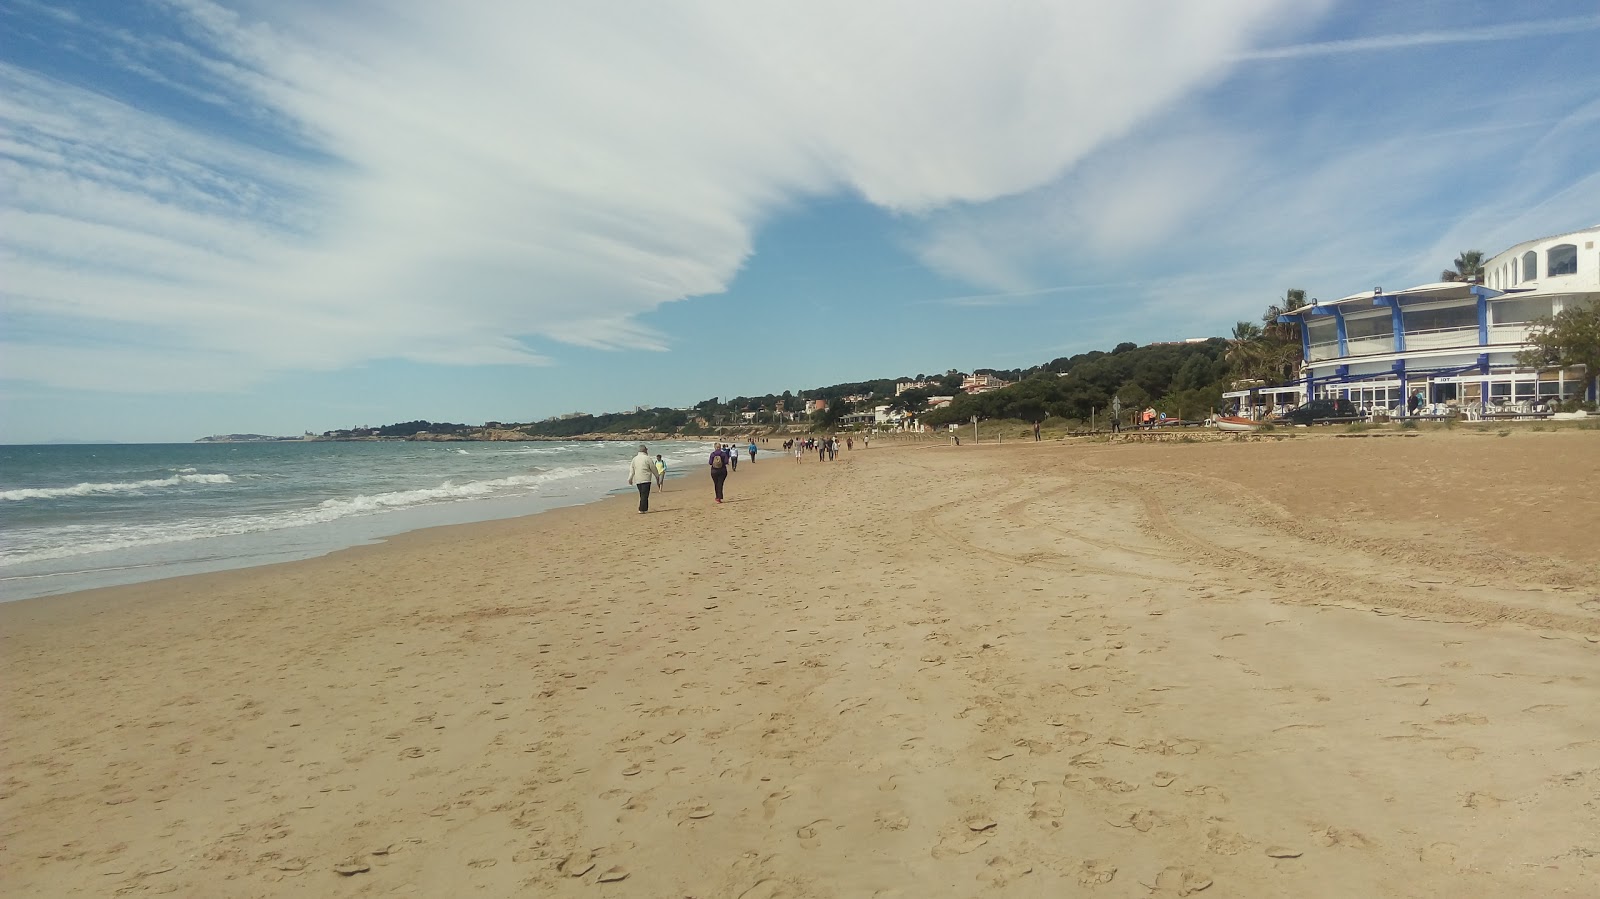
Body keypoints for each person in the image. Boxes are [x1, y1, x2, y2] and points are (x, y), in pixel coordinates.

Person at [628, 445, 654, 513]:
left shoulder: (634, 459)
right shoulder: (647, 458)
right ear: (644, 450)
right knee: (645, 495)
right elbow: (653, 467)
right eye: (646, 450)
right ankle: (642, 509)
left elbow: (632, 469)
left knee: (642, 494)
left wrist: (630, 478)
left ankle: (643, 508)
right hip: (646, 478)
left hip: (638, 479)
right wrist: (657, 475)